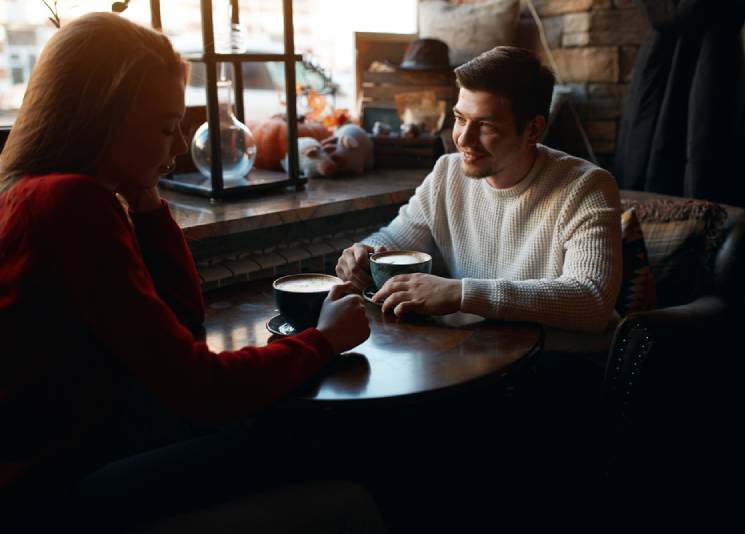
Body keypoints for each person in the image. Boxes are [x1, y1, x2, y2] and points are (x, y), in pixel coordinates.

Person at [0, 13, 382, 533]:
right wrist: (324, 339)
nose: (180, 147)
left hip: (88, 449)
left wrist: (146, 197)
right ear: (100, 119)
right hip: (46, 494)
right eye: (164, 128)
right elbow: (201, 390)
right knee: (330, 449)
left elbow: (182, 325)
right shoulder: (65, 202)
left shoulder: (45, 193)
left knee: (292, 433)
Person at [337, 46, 622, 334]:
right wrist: (365, 252)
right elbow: (394, 239)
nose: (464, 139)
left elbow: (592, 299)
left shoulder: (587, 186)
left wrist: (462, 294)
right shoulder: (447, 173)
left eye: (485, 126)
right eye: (460, 119)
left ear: (533, 130)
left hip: (555, 363)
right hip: (467, 353)